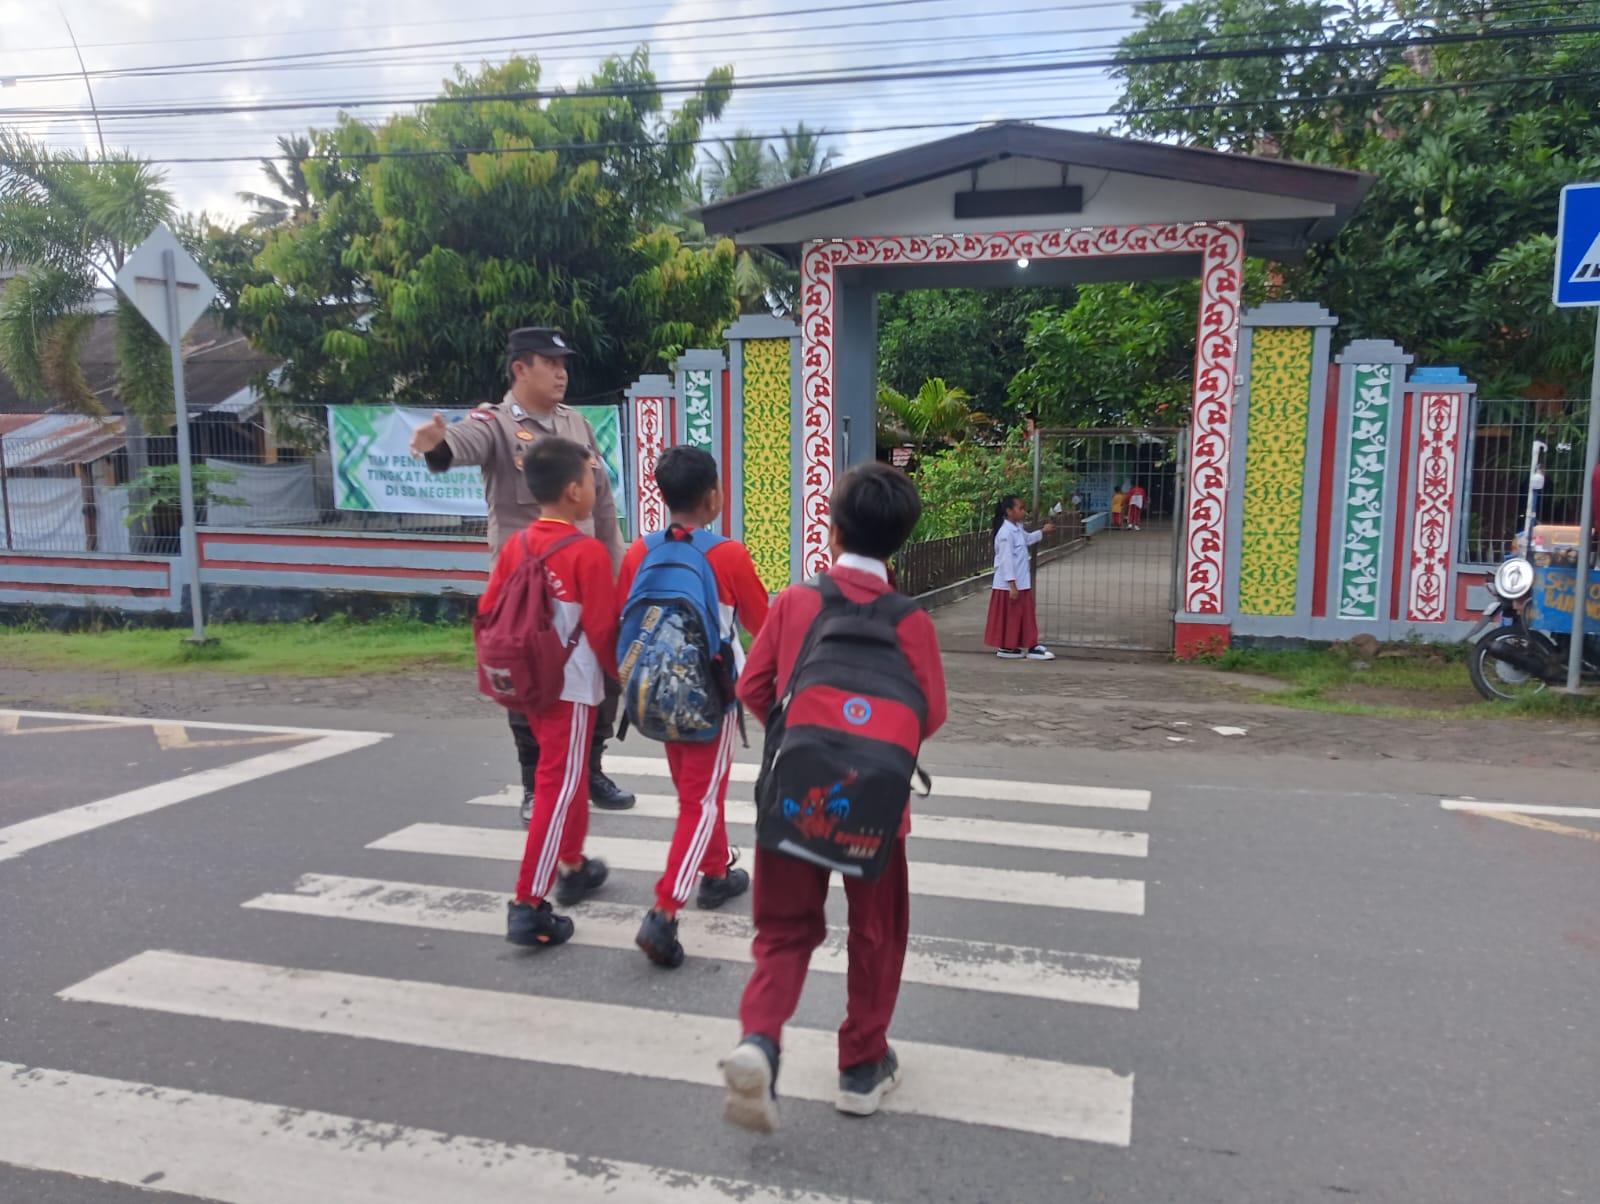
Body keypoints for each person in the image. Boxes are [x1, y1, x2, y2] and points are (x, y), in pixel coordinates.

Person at [719, 462, 947, 1132]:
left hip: (793, 795)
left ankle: (760, 1040)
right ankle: (861, 1066)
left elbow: (752, 688)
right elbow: (930, 715)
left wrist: (801, 737)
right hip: (877, 810)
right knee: (877, 932)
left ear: (833, 528)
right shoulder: (913, 622)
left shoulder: (796, 602)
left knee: (785, 930)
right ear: (900, 540)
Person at [409, 326, 636, 818]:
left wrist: (618, 577)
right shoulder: (495, 423)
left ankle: (592, 767)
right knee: (529, 681)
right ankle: (534, 783)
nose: (561, 373)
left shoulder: (577, 423)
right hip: (529, 592)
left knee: (604, 673)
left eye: (563, 363)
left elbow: (603, 508)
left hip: (585, 582)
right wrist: (436, 444)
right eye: (549, 363)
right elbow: (460, 443)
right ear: (520, 369)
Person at [616, 447, 771, 968]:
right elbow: (763, 625)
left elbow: (621, 618)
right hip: (710, 697)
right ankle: (664, 911)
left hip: (653, 694)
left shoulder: (640, 551)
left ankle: (716, 872)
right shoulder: (729, 555)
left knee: (696, 793)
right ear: (713, 497)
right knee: (700, 803)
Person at [490, 438, 620, 947]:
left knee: (566, 774)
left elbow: (492, 608)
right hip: (571, 685)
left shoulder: (517, 545)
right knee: (558, 786)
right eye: (591, 479)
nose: (595, 488)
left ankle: (572, 864)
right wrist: (622, 676)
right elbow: (604, 630)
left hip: (528, 682)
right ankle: (528, 903)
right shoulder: (586, 552)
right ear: (573, 491)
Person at [986, 495, 1055, 662]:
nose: (1024, 512)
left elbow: (1027, 539)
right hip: (1010, 585)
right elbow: (1006, 561)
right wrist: (1012, 585)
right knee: (1012, 617)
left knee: (1022, 616)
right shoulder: (1005, 533)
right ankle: (1009, 646)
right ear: (1009, 511)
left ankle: (1027, 644)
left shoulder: (1016, 528)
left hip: (1020, 582)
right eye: (1021, 508)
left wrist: (1042, 531)